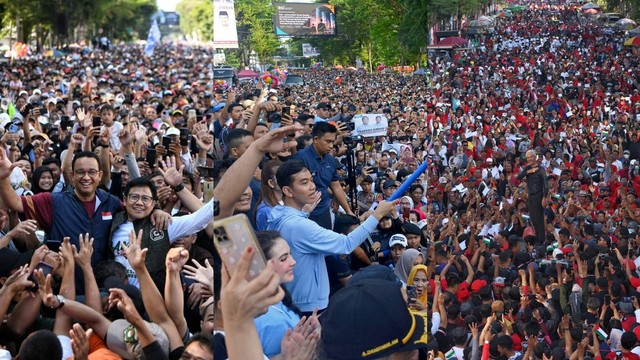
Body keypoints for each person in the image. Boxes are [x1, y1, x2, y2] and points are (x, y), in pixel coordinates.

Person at [267, 159, 396, 315]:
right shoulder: (298, 225)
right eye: (304, 183)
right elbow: (347, 244)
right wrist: (377, 215)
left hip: (299, 299)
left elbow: (300, 248)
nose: (312, 187)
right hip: (309, 305)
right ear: (288, 191)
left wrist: (305, 213)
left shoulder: (280, 215)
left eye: (311, 180)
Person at [292, 122, 355, 229]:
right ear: (316, 139)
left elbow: (336, 187)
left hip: (324, 211)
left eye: (333, 141)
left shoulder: (330, 160)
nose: (331, 146)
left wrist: (348, 211)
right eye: (328, 141)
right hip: (304, 213)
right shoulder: (301, 157)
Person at [517, 149, 548, 244]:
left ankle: (541, 239)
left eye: (531, 157)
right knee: (533, 218)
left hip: (539, 195)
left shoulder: (541, 169)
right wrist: (529, 171)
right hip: (530, 196)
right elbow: (519, 177)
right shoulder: (528, 168)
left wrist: (544, 197)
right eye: (528, 157)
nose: (529, 159)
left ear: (535, 157)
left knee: (539, 219)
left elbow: (545, 185)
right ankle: (537, 238)